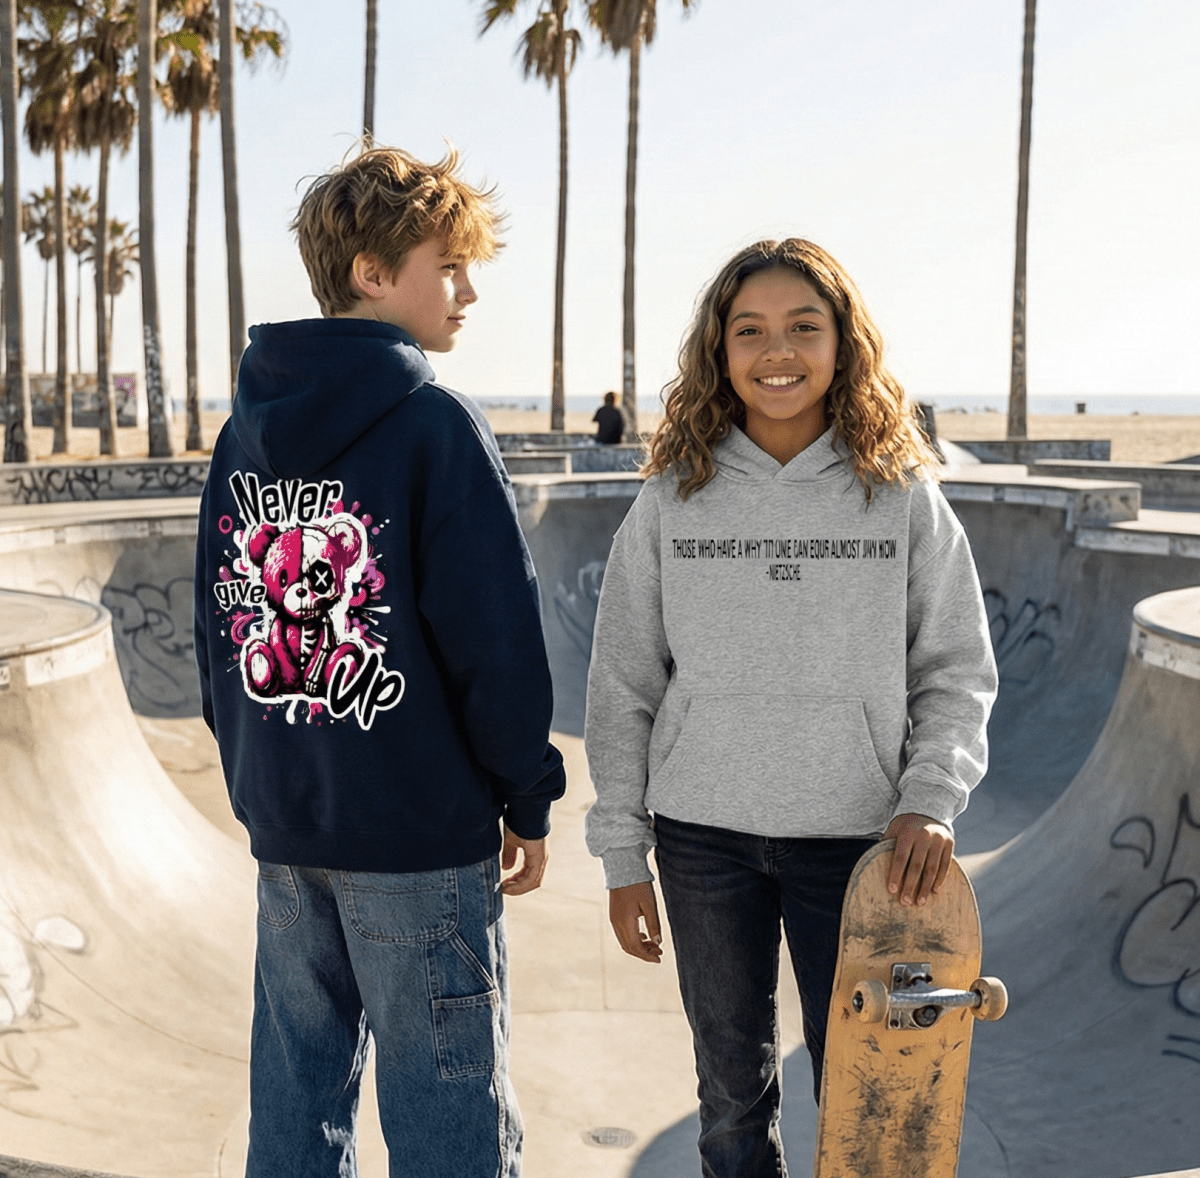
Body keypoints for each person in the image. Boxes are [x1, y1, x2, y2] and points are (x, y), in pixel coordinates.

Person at [583, 238, 997, 1177]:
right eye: (751, 329)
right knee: (730, 1096)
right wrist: (622, 853)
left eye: (804, 327)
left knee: (867, 1094)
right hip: (702, 841)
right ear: (719, 350)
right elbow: (623, 683)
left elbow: (956, 665)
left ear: (843, 343)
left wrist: (930, 794)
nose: (779, 350)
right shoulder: (672, 500)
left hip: (858, 848)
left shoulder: (899, 496)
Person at [193, 145, 565, 1178]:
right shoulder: (433, 424)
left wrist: (261, 783)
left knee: (297, 1101)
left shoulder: (243, 437)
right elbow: (494, 635)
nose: (470, 289)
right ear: (370, 270)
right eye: (449, 264)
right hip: (417, 842)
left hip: (289, 826)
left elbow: (222, 627)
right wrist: (526, 795)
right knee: (449, 1109)